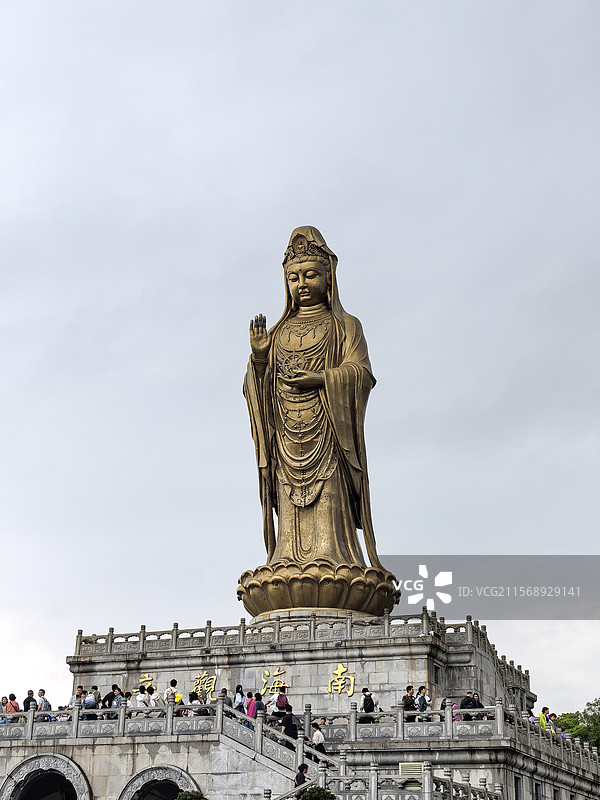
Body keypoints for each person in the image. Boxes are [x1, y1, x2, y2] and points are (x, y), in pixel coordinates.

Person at [242, 226, 397, 617]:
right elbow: (256, 390)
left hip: (328, 435)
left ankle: (335, 556)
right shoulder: (276, 334)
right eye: (294, 277)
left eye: (311, 274)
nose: (302, 284)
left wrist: (323, 379)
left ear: (329, 276)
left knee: (329, 503)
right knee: (289, 518)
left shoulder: (345, 326)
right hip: (286, 444)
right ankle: (286, 560)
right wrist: (260, 358)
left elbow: (360, 373)